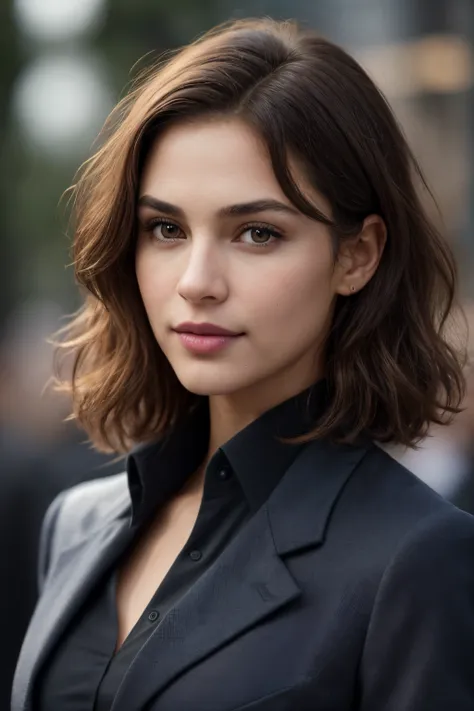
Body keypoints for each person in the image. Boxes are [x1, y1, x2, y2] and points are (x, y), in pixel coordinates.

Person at [12, 17, 474, 711]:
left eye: (257, 232)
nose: (197, 280)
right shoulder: (76, 523)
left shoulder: (419, 558)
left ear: (358, 254)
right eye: (165, 228)